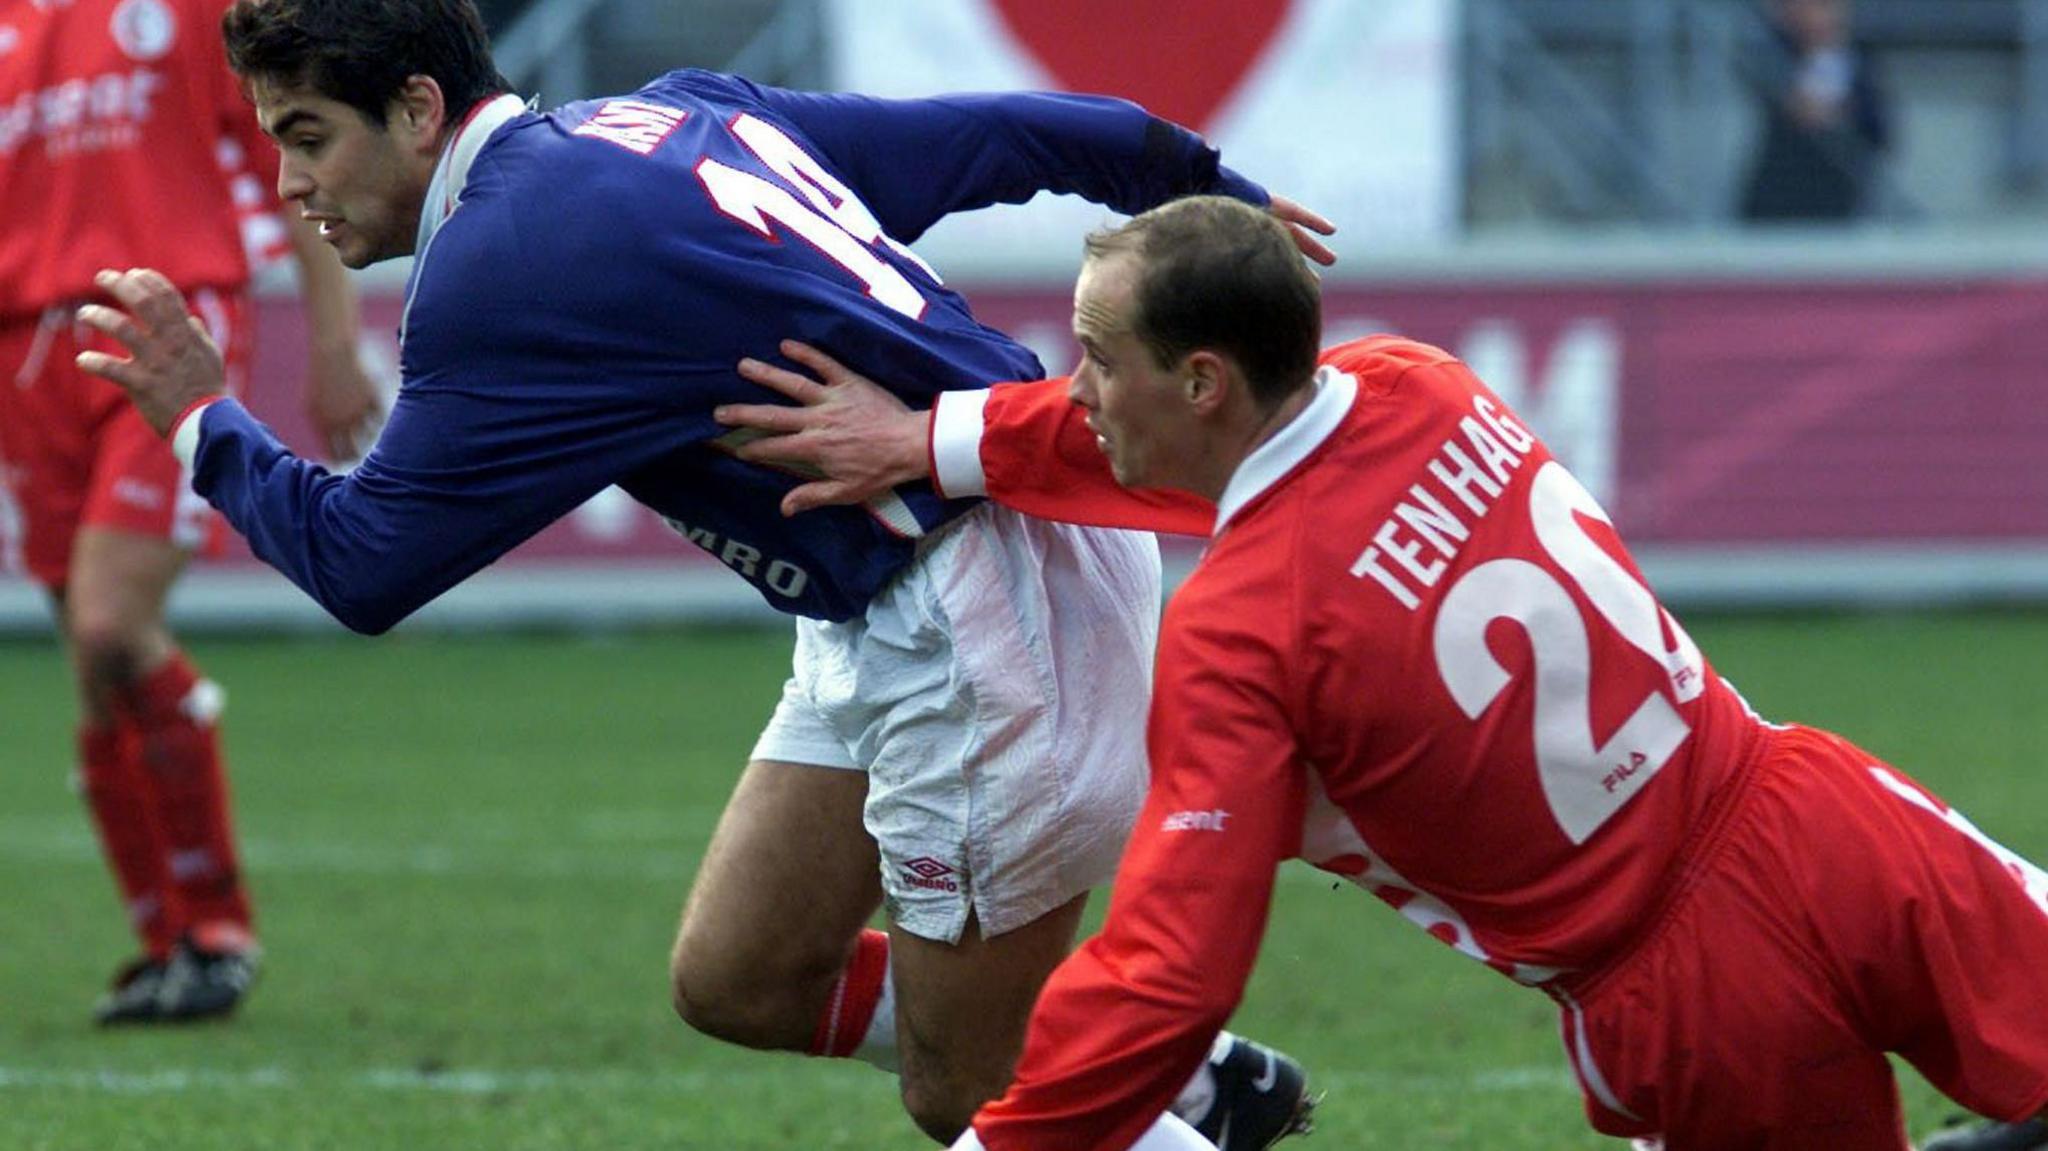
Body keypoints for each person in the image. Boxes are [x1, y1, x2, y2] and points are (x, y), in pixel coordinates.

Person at [73, 0, 1331, 1143]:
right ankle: (1196, 1082)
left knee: (967, 1086)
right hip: (902, 581)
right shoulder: (682, 110)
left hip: (982, 602)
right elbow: (999, 133)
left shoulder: (500, 261)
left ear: (415, 110)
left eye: (308, 137)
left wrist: (202, 417)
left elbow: (362, 566)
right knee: (743, 972)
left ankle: (1159, 1095)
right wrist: (1204, 183)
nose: (290, 183)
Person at [712, 195, 2048, 1150]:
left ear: (1202, 380)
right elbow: (1220, 455)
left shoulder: (1243, 635)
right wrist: (942, 437)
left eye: (1097, 361)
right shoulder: (1422, 383)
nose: (1079, 388)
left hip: (1687, 982)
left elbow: (1174, 970)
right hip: (1828, 816)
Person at [0, 0, 381, 1025]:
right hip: (23, 353)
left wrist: (335, 338)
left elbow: (290, 152)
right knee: (93, 667)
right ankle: (172, 940)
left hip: (162, 319)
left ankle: (214, 925)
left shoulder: (184, 11)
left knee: (109, 624)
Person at [1738, 0, 1892, 222]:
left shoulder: (1860, 61)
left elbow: (1879, 129)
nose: (1813, 14)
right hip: (1777, 202)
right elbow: (1781, 98)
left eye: (1823, 5)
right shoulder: (1775, 56)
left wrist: (1843, 114)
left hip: (1838, 202)